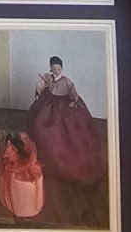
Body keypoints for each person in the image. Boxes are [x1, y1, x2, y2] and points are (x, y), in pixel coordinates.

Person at [26, 56, 104, 184]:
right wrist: (38, 92)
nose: (56, 71)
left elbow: (73, 92)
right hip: (49, 104)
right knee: (41, 125)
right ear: (51, 69)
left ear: (62, 68)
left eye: (58, 69)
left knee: (69, 131)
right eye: (54, 69)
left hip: (64, 106)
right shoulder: (48, 77)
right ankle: (45, 160)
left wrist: (74, 100)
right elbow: (40, 85)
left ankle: (65, 164)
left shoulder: (67, 82)